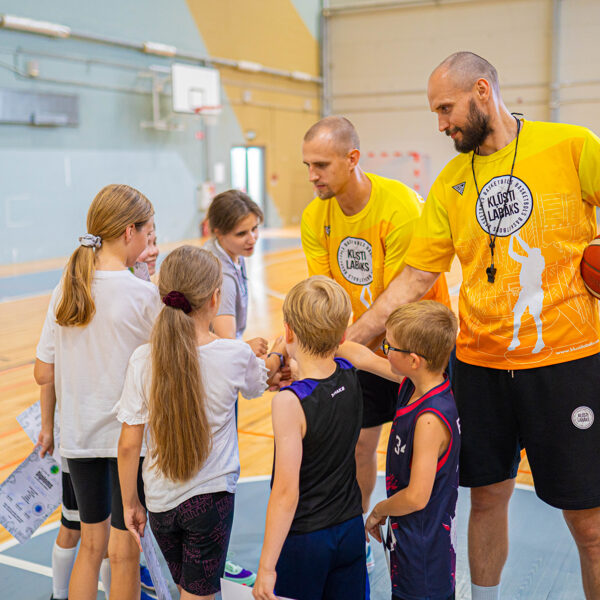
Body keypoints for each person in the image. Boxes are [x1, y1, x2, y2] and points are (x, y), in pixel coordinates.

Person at [344, 51, 600, 600]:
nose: (440, 124)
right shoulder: (450, 181)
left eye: (446, 108)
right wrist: (349, 338)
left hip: (568, 362)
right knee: (485, 500)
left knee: (591, 524)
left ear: (482, 90)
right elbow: (414, 276)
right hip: (480, 366)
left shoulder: (572, 145)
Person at [300, 116, 451, 569]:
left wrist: (348, 345)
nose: (312, 175)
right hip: (360, 342)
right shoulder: (315, 215)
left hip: (412, 344)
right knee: (359, 448)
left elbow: (399, 299)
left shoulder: (398, 205)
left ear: (352, 159)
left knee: (414, 457)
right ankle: (361, 530)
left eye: (321, 164)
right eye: (307, 164)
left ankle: (420, 543)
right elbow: (324, 292)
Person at [117, 246, 284, 599]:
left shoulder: (142, 359)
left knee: (187, 590)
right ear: (215, 297)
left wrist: (131, 503)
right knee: (199, 595)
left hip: (159, 503)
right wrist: (278, 356)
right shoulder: (234, 354)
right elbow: (258, 385)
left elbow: (129, 444)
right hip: (210, 500)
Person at [34, 184, 161, 600]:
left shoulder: (66, 289)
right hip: (129, 441)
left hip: (79, 437)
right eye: (146, 233)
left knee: (91, 545)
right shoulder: (143, 295)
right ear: (129, 232)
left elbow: (41, 372)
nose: (147, 242)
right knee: (123, 551)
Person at [253, 276, 375, 600]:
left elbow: (285, 492)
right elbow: (354, 356)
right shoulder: (351, 371)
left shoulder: (289, 402)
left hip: (306, 539)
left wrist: (266, 565)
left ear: (288, 331)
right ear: (344, 334)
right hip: (351, 528)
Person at [339, 301, 459, 600]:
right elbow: (364, 358)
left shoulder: (430, 418)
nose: (384, 349)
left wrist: (378, 511)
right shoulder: (414, 383)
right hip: (413, 535)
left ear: (414, 360)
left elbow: (417, 496)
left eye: (388, 345)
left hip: (424, 547)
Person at [204, 189, 268, 359]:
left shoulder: (231, 251)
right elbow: (228, 346)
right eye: (241, 233)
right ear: (219, 232)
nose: (252, 238)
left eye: (254, 228)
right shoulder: (221, 276)